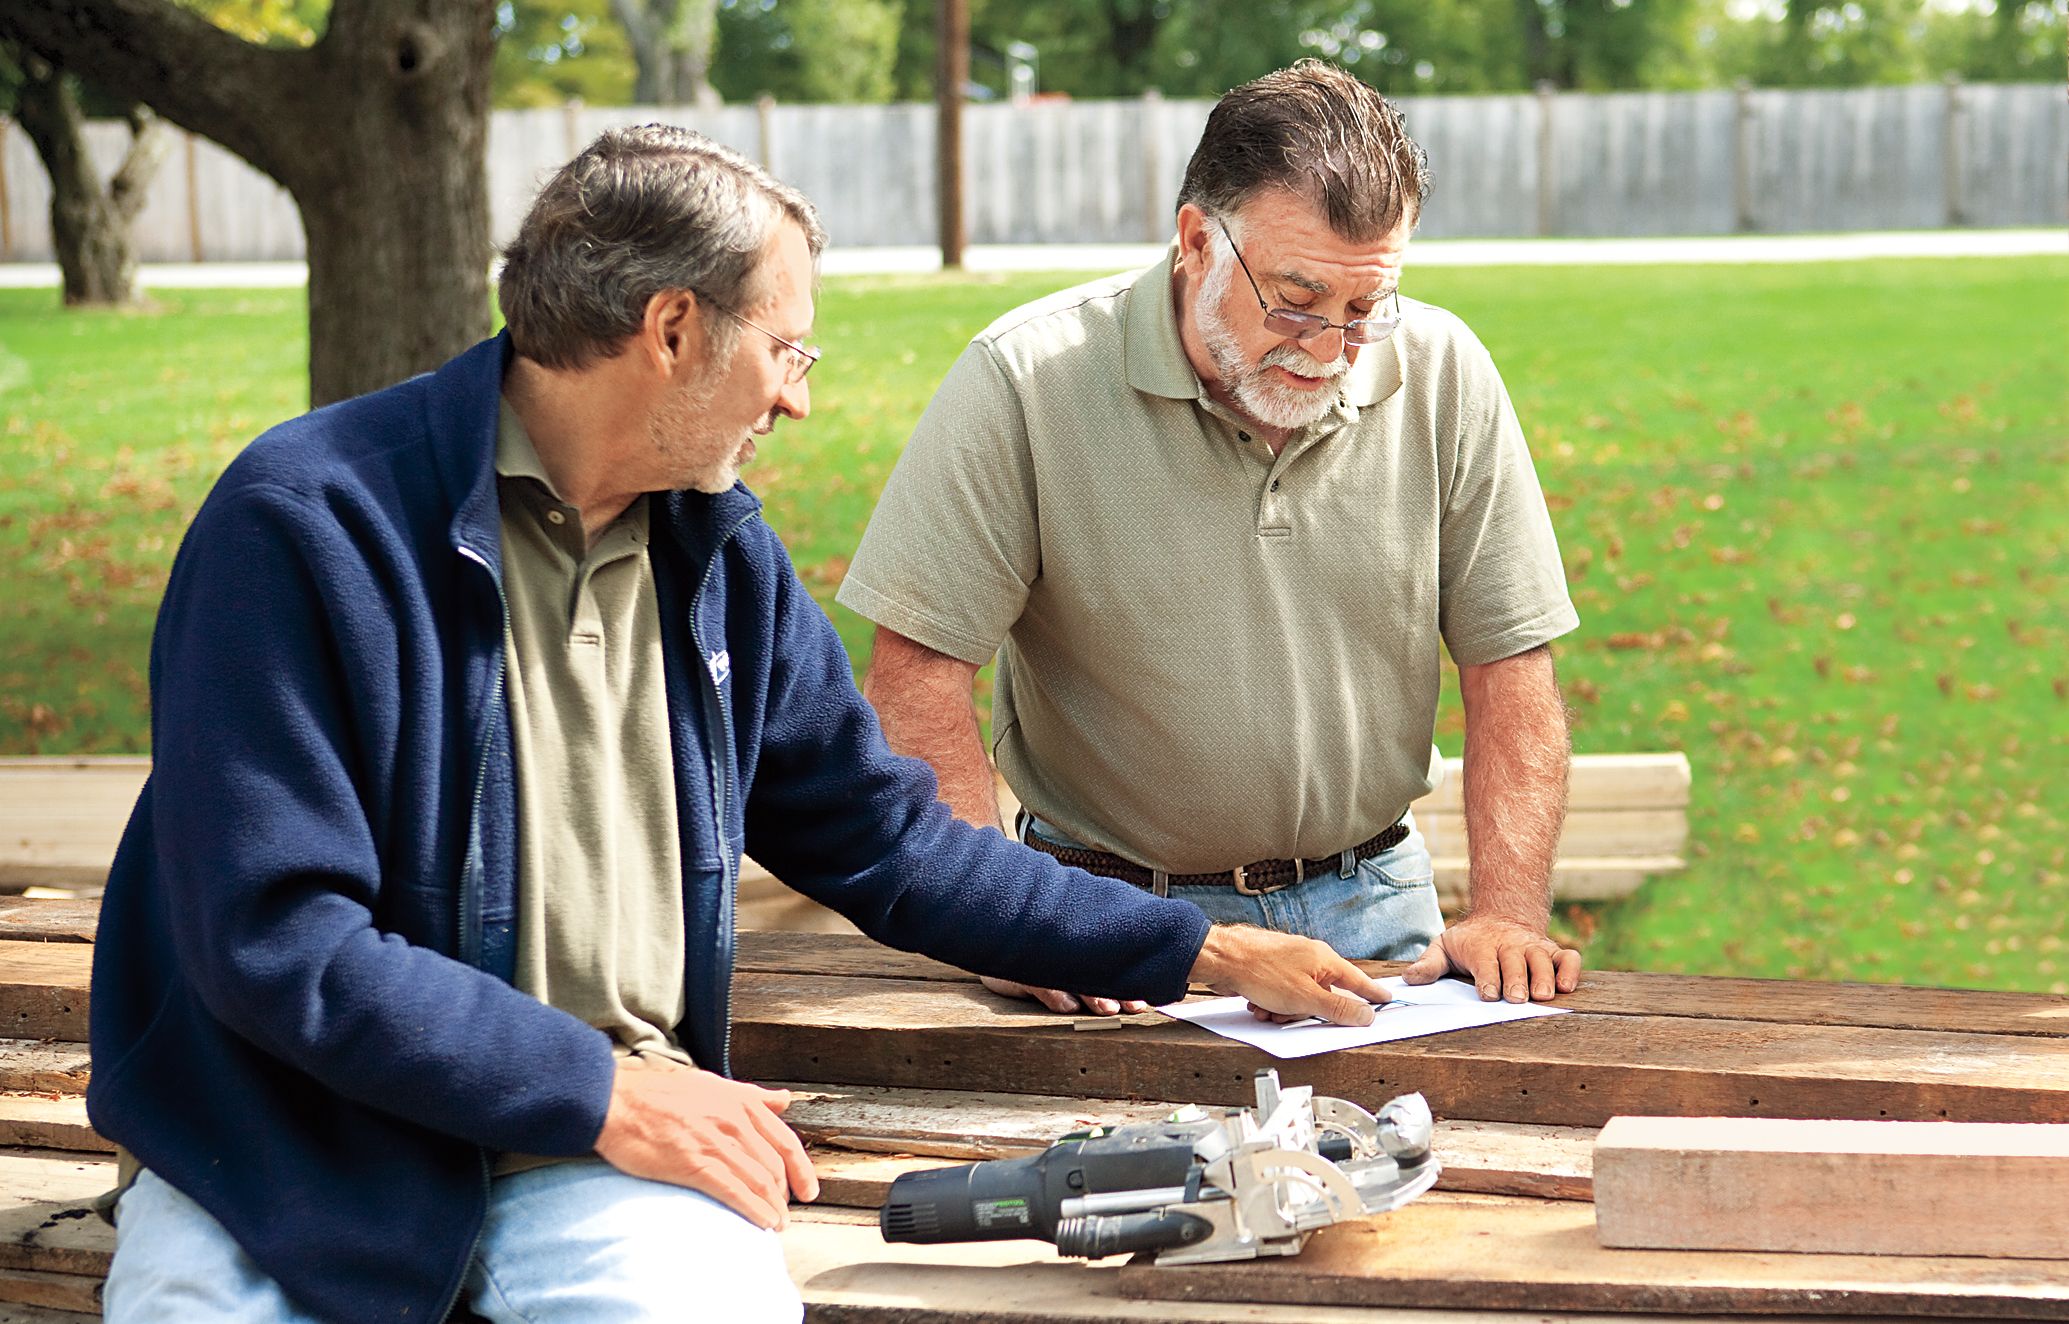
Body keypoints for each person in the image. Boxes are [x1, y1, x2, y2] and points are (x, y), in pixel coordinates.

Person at [86, 125, 1393, 1324]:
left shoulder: (719, 556)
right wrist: (601, 1086)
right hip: (288, 1148)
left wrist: (1195, 949)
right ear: (670, 329)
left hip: (598, 1152)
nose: (796, 400)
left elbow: (885, 843)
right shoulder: (305, 525)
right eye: (787, 350)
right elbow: (279, 941)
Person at [838, 60, 1585, 1020]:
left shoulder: (1443, 373)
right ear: (1196, 239)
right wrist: (1004, 920)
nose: (1328, 347)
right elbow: (918, 675)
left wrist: (1509, 914)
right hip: (1108, 923)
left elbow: (1510, 666)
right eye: (1294, 299)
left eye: (1363, 309)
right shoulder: (1026, 379)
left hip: (1377, 909)